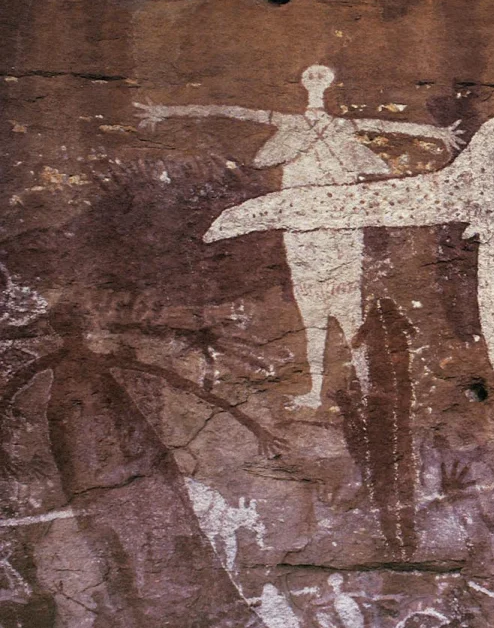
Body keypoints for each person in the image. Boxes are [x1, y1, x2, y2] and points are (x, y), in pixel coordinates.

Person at [136, 65, 463, 408]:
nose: (316, 84)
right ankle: (322, 389)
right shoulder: (318, 126)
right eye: (313, 79)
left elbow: (385, 126)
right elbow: (233, 113)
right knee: (321, 315)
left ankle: (362, 388)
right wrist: (168, 111)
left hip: (337, 229)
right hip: (311, 231)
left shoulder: (330, 126)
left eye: (319, 80)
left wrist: (436, 134)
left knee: (345, 313)